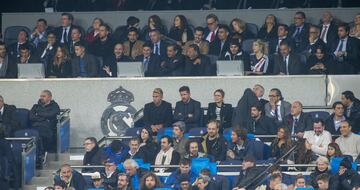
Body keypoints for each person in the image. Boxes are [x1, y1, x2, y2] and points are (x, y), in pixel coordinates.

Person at [29, 90, 60, 155]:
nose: (41, 98)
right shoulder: (35, 106)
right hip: (36, 127)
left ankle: (42, 154)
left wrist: (38, 114)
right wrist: (44, 118)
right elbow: (31, 117)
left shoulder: (54, 106)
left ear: (50, 97)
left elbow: (51, 114)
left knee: (41, 134)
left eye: (43, 96)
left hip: (48, 128)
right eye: (41, 96)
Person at [0, 124, 16, 190]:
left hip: (2, 173)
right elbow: (10, 159)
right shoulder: (5, 143)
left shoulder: (4, 143)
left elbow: (9, 159)